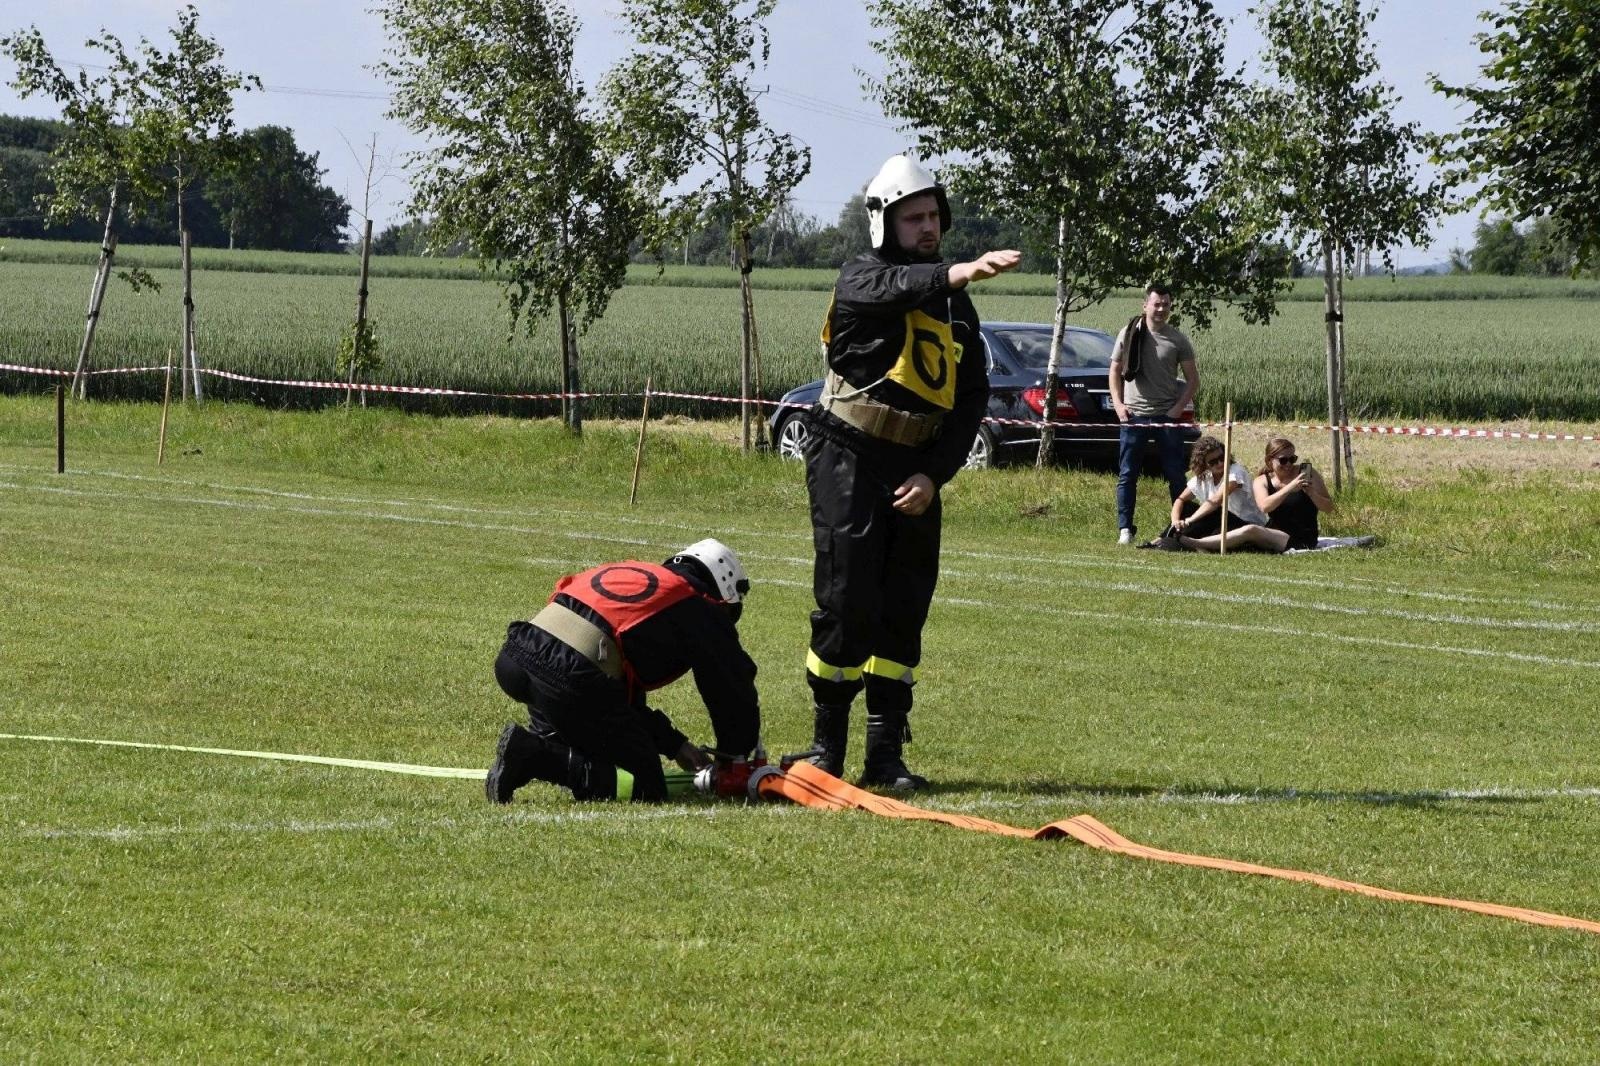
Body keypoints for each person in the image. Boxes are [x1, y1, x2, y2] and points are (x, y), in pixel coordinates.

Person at [802, 154, 1021, 791]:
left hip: (915, 467)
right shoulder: (861, 278)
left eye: (934, 217)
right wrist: (957, 272)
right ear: (884, 223)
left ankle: (885, 759)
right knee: (846, 601)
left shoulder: (957, 307)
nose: (928, 227)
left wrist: (933, 475)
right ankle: (825, 751)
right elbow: (895, 289)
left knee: (904, 607)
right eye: (913, 218)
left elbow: (971, 398)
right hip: (849, 452)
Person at [485, 538, 760, 804]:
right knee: (644, 784)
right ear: (724, 590)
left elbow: (616, 702)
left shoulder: (640, 579)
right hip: (568, 677)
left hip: (518, 657)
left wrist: (675, 745)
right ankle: (533, 756)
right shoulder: (696, 603)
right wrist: (733, 756)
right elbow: (731, 687)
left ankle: (545, 749)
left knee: (589, 749)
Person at [1109, 282, 1199, 545]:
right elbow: (1114, 370)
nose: (1161, 309)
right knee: (1128, 474)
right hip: (1134, 416)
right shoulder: (1129, 333)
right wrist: (1118, 403)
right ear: (1145, 305)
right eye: (1156, 303)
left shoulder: (1178, 339)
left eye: (1166, 305)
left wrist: (1177, 409)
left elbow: (1193, 380)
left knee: (1175, 474)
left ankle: (1181, 528)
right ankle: (1125, 529)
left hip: (1166, 418)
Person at [1168, 436, 1290, 553]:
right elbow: (1180, 499)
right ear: (1203, 464)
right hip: (1220, 523)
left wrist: (1189, 520)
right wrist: (1175, 521)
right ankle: (1165, 538)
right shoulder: (1204, 477)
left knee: (1212, 512)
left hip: (1245, 524)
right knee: (1188, 507)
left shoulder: (1235, 472)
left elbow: (1217, 500)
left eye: (1222, 457)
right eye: (1213, 462)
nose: (1220, 463)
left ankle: (1178, 540)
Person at [1253, 437, 1334, 550]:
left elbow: (1329, 508)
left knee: (1250, 531)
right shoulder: (1262, 480)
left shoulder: (1307, 474)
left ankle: (1220, 545)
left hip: (1303, 538)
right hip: (1275, 534)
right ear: (1269, 460)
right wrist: (1290, 487)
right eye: (1283, 460)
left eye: (1292, 459)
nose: (1288, 464)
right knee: (1247, 532)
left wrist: (1311, 493)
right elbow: (1264, 507)